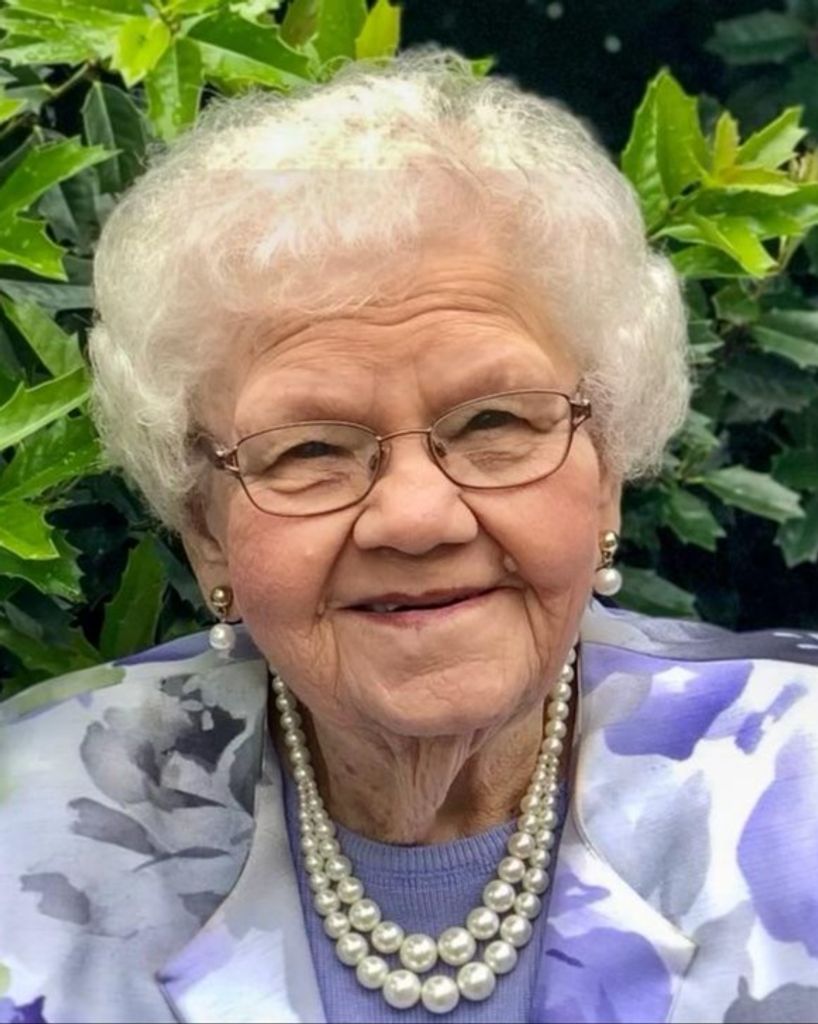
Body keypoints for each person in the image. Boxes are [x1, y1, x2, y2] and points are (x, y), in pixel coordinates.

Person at [1, 51, 817, 1024]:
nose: (417, 517)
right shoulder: (25, 831)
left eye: (494, 422)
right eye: (309, 448)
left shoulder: (797, 784)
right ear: (206, 531)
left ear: (604, 472)